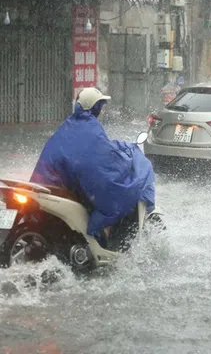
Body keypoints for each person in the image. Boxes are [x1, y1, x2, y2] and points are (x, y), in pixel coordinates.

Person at [30, 87, 156, 248]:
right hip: (64, 187)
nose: (102, 110)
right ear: (95, 107)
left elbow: (87, 152)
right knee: (121, 193)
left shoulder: (69, 124)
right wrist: (124, 164)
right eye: (101, 106)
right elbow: (101, 162)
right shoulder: (91, 128)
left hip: (50, 184)